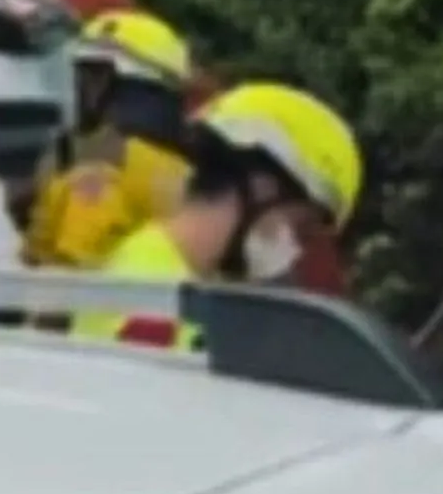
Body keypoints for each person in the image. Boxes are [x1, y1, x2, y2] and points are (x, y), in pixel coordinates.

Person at [70, 81, 364, 349]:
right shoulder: (162, 302)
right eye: (301, 227)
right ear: (262, 188)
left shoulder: (161, 269)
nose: (294, 249)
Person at [21, 9, 193, 269]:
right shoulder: (186, 169)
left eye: (90, 74)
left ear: (114, 81)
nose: (80, 86)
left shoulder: (103, 162)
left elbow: (71, 277)